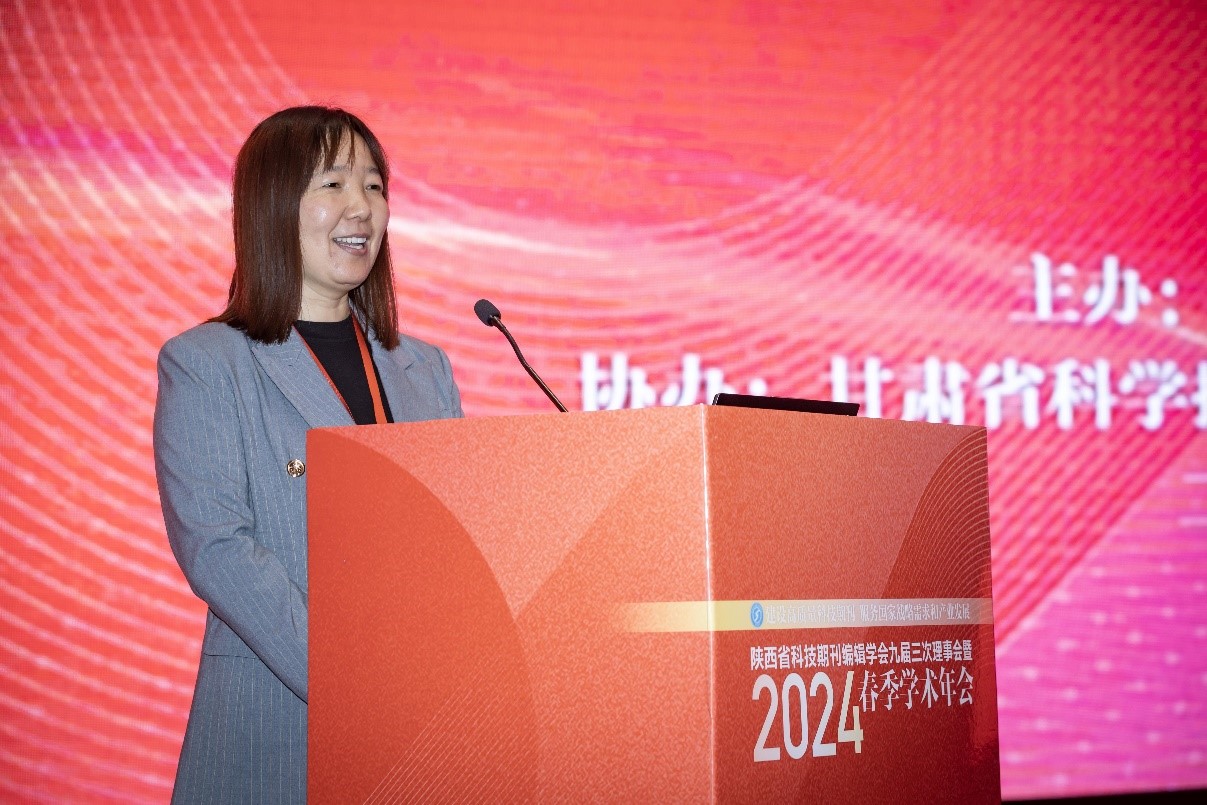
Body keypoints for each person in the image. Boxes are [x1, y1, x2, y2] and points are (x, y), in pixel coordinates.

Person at [153, 106, 462, 803]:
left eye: (374, 186)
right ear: (271, 204)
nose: (362, 207)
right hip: (278, 723)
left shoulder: (425, 370)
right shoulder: (208, 364)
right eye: (333, 183)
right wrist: (355, 680)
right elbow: (219, 548)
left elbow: (454, 544)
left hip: (421, 737)